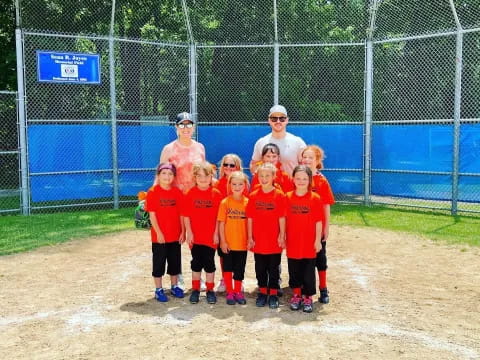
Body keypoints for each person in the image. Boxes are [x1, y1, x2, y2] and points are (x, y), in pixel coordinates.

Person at [246, 162, 286, 309]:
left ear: (274, 176)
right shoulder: (254, 195)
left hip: (274, 239)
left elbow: (282, 217)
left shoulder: (279, 195)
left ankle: (273, 294)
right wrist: (250, 237)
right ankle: (263, 292)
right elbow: (250, 217)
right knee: (260, 267)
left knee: (274, 268)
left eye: (267, 175)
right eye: (261, 175)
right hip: (258, 239)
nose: (264, 178)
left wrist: (282, 235)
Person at [183, 162, 222, 304]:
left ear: (211, 176)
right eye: (199, 176)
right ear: (194, 177)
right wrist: (189, 233)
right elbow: (186, 215)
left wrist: (216, 233)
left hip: (210, 237)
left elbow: (219, 217)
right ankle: (195, 290)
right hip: (196, 236)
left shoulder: (216, 194)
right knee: (196, 263)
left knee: (209, 263)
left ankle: (210, 290)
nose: (203, 179)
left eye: (206, 176)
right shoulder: (190, 193)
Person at [285, 165, 323, 313]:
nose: (301, 181)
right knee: (294, 269)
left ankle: (308, 297)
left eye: (305, 179)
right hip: (293, 241)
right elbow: (284, 219)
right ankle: (296, 295)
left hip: (309, 242)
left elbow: (318, 221)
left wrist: (317, 240)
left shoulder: (315, 198)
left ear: (310, 180)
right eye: (298, 178)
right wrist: (283, 236)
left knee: (308, 270)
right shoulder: (287, 197)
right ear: (293, 179)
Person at [144, 163, 184, 302]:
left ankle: (174, 286)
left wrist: (183, 231)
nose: (167, 176)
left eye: (170, 174)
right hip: (159, 237)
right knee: (159, 262)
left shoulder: (177, 192)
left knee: (174, 262)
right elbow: (152, 215)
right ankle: (159, 289)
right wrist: (159, 233)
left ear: (174, 177)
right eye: (164, 173)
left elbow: (181, 214)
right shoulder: (153, 192)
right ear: (158, 175)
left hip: (174, 234)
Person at [301, 145, 335, 304]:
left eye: (310, 157)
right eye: (304, 157)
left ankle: (323, 288)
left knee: (320, 258)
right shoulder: (299, 178)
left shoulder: (321, 180)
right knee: (302, 259)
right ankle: (303, 287)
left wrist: (326, 227)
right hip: (301, 227)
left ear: (317, 160)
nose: (307, 160)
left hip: (317, 227)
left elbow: (326, 205)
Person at [213, 153, 247, 292]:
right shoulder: (218, 184)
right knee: (223, 253)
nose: (228, 167)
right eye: (225, 164)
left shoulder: (243, 183)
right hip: (221, 224)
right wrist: (217, 232)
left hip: (237, 225)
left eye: (232, 165)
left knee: (239, 256)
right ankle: (224, 279)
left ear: (238, 167)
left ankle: (238, 281)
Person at [217, 171, 250, 305]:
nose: (237, 187)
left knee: (239, 269)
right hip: (228, 244)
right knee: (228, 269)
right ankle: (230, 292)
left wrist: (249, 239)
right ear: (229, 185)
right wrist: (223, 241)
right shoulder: (225, 202)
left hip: (242, 244)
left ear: (245, 185)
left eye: (240, 184)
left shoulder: (248, 202)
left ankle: (237, 291)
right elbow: (221, 223)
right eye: (234, 184)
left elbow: (250, 223)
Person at [250, 105, 306, 177]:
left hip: (291, 187)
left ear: (287, 120)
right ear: (269, 120)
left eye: (282, 118)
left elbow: (305, 167)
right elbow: (253, 165)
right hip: (269, 187)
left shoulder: (298, 142)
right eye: (274, 118)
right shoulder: (261, 142)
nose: (278, 121)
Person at [159, 112, 205, 193]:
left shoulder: (200, 147)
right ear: (176, 127)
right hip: (175, 197)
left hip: (196, 196)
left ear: (193, 127)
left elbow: (204, 173)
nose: (185, 128)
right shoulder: (168, 149)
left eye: (189, 125)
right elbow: (160, 176)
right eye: (181, 125)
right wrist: (154, 195)